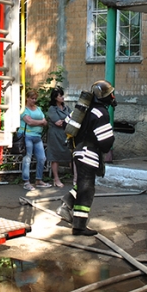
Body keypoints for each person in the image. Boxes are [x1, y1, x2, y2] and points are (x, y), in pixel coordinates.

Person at [56, 80, 116, 236]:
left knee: (83, 184)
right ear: (104, 98)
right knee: (86, 190)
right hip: (89, 155)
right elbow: (106, 142)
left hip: (78, 152)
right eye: (110, 94)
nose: (113, 97)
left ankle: (67, 202)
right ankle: (79, 226)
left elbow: (66, 125)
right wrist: (105, 148)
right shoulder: (101, 113)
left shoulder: (84, 110)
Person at [20, 90, 51, 190]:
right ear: (27, 98)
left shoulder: (38, 109)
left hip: (37, 136)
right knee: (27, 158)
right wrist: (40, 122)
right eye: (32, 98)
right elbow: (29, 122)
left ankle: (38, 180)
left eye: (35, 98)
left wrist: (38, 122)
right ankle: (26, 181)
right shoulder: (23, 109)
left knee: (42, 158)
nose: (34, 100)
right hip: (27, 136)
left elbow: (45, 122)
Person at [46, 86, 73, 188]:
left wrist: (65, 121)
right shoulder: (52, 109)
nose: (62, 97)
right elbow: (58, 122)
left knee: (71, 157)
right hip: (55, 136)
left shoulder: (67, 108)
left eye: (62, 95)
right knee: (55, 157)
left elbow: (73, 119)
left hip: (66, 135)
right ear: (55, 98)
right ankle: (56, 179)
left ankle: (75, 178)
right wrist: (67, 121)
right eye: (60, 95)